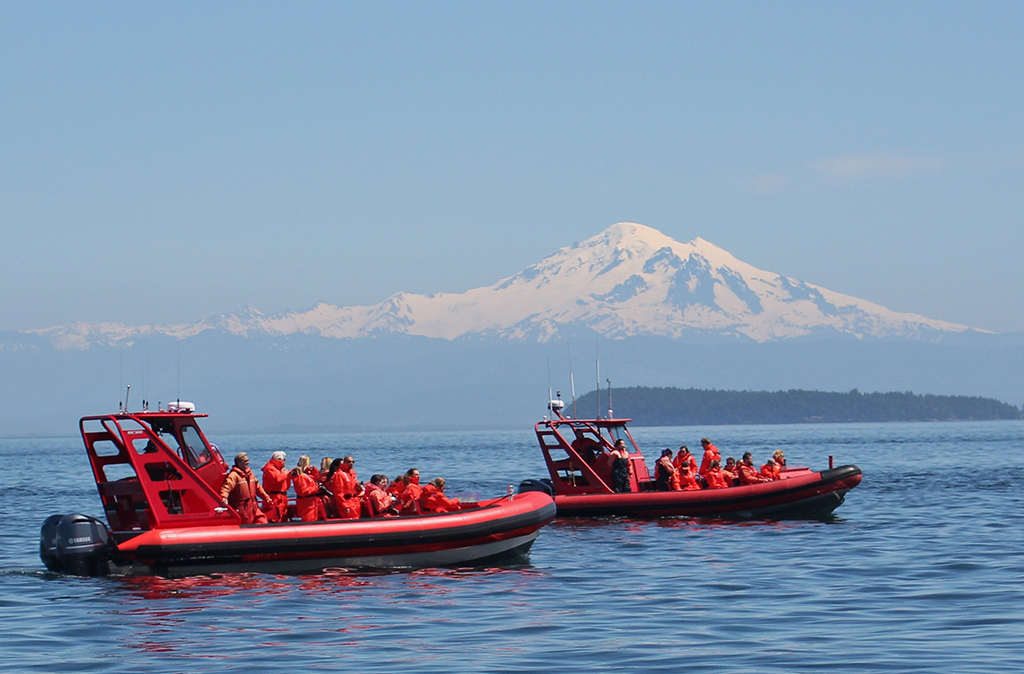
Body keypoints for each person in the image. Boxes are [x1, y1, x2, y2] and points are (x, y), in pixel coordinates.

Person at [219, 452, 271, 524]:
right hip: (242, 508)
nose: (248, 462)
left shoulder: (250, 474)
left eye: (248, 460)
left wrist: (266, 498)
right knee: (246, 523)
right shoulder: (234, 475)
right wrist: (224, 497)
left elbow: (258, 488)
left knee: (262, 520)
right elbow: (227, 486)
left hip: (253, 506)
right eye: (245, 461)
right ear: (239, 462)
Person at [291, 455, 327, 521]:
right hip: (306, 504)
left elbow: (317, 477)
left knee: (313, 519)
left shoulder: (307, 475)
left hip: (311, 503)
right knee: (308, 519)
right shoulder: (300, 476)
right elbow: (303, 491)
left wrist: (314, 470)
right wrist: (316, 488)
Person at [328, 455, 362, 520]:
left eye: (353, 462)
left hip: (355, 502)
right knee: (350, 520)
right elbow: (338, 493)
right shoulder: (340, 474)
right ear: (344, 463)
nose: (351, 463)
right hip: (347, 502)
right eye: (349, 462)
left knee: (357, 520)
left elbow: (355, 489)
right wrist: (345, 506)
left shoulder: (352, 474)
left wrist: (359, 488)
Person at [261, 450, 291, 523]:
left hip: (281, 498)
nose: (285, 462)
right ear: (279, 460)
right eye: (284, 460)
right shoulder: (270, 469)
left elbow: (286, 485)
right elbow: (277, 479)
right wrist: (285, 474)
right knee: (275, 518)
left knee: (283, 517)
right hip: (275, 499)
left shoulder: (279, 470)